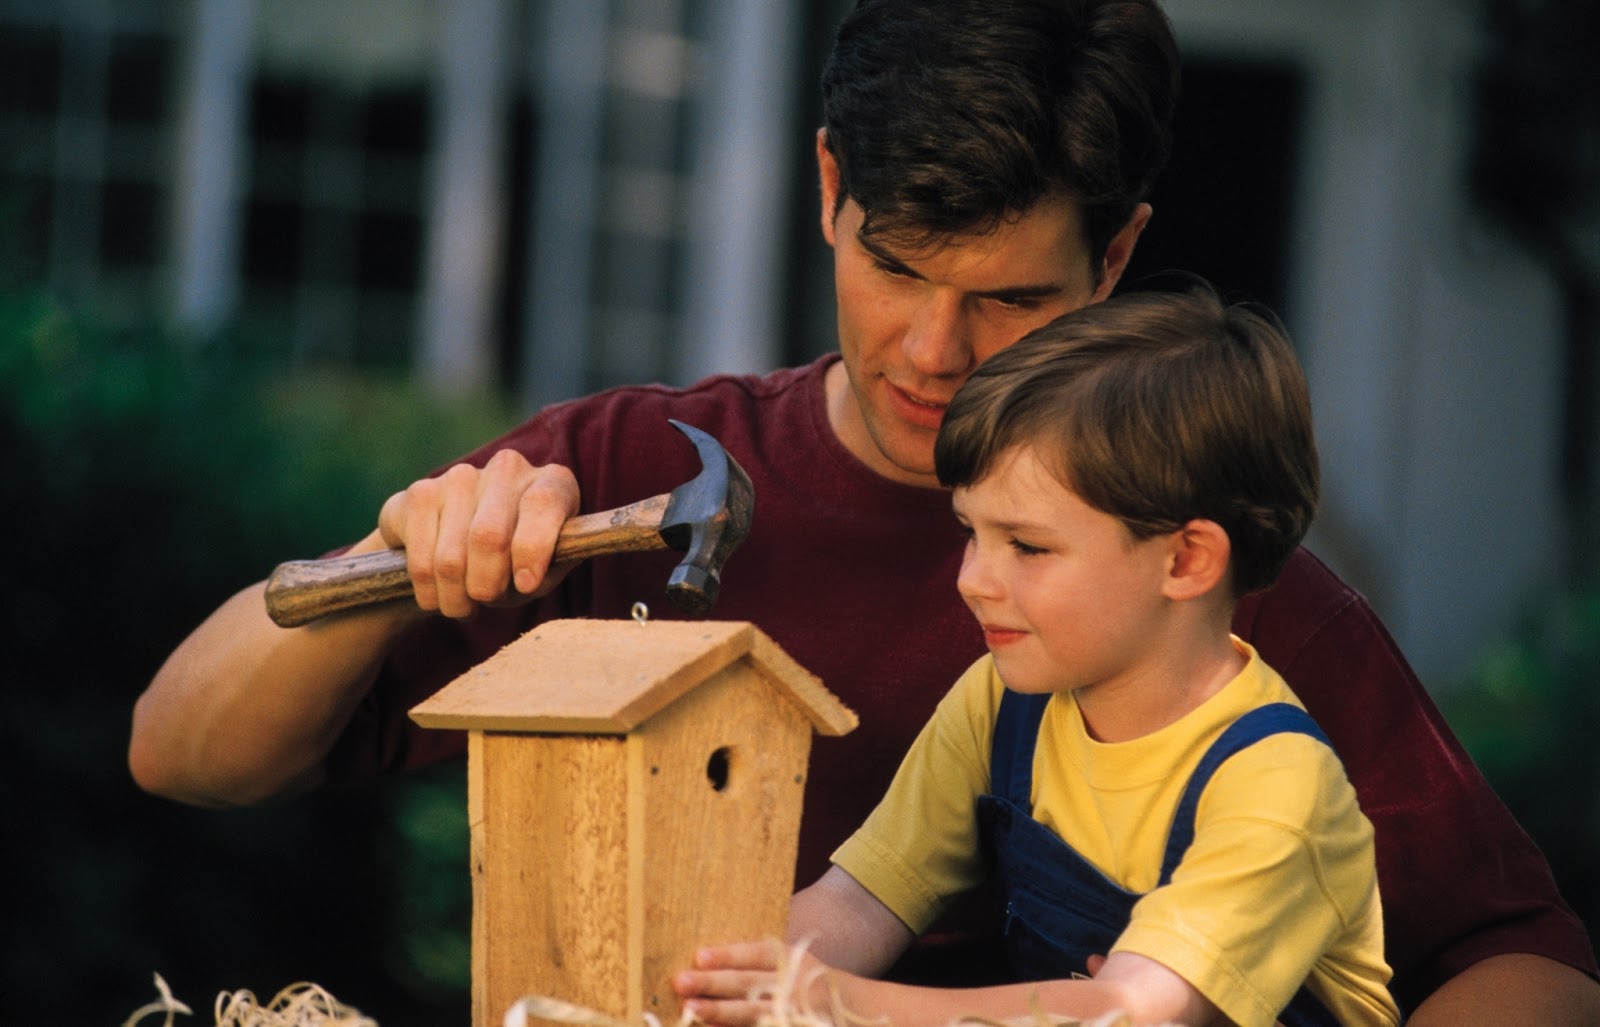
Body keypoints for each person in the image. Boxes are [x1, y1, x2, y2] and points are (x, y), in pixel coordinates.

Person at [129, 0, 1598, 1021]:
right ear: (829, 187)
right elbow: (181, 751)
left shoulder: (1206, 587)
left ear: (1120, 254)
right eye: (897, 265)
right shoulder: (625, 479)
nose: (933, 351)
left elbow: (1532, 968)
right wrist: (389, 564)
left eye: (1010, 296)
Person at [673, 285, 1400, 1027]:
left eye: (1026, 545)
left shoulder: (1277, 786)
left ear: (1185, 560)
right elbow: (860, 900)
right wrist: (710, 985)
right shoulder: (1002, 703)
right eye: (969, 532)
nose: (972, 580)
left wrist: (829, 1001)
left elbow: (1127, 1011)